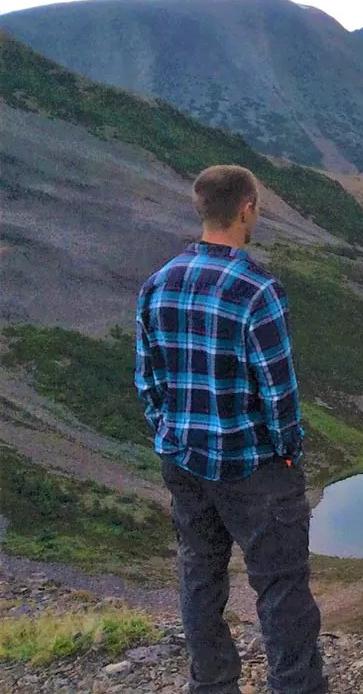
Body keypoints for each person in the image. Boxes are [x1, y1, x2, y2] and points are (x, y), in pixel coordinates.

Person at [135, 164, 326, 694]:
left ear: (202, 210)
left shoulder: (158, 284)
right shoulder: (256, 290)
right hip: (253, 468)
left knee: (200, 578)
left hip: (185, 463)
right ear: (247, 209)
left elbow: (148, 381)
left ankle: (212, 685)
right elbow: (279, 391)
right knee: (282, 590)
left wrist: (171, 437)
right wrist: (287, 452)